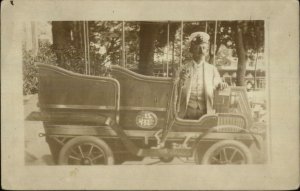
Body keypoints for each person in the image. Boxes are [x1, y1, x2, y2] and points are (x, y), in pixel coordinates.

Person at [177, 32, 227, 120]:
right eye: (197, 48)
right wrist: (180, 80)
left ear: (207, 51)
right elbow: (175, 88)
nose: (201, 51)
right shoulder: (183, 69)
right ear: (191, 50)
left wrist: (221, 84)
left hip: (206, 112)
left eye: (204, 48)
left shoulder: (212, 69)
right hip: (186, 112)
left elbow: (217, 83)